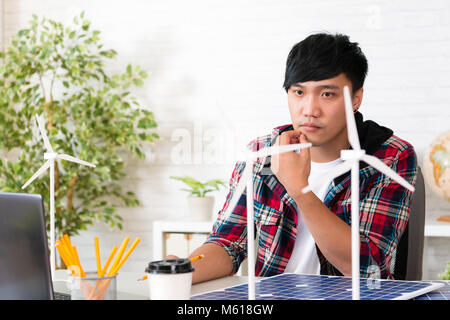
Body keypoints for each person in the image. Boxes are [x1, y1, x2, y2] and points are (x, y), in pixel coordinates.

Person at [166, 32, 418, 284]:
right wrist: (183, 271)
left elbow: (367, 267)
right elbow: (228, 243)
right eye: (298, 92)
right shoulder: (261, 154)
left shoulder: (390, 157)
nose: (309, 110)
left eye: (327, 94)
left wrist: (301, 190)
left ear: (355, 99)